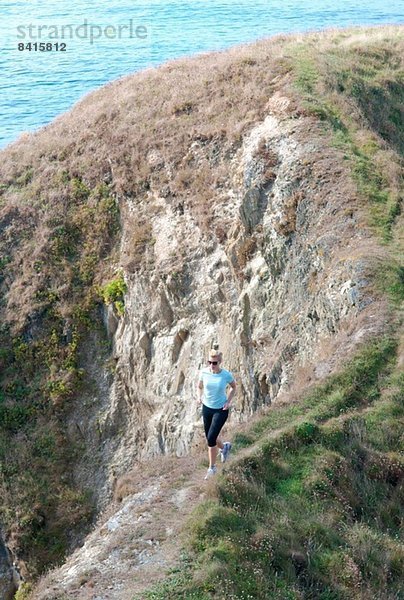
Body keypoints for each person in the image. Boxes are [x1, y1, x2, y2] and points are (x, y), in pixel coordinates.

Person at [197, 348, 236, 479]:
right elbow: (199, 386)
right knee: (210, 437)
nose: (212, 365)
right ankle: (225, 447)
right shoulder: (204, 372)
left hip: (221, 410)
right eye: (210, 362)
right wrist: (199, 397)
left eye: (214, 363)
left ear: (220, 362)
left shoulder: (225, 375)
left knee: (211, 438)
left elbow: (233, 387)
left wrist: (228, 402)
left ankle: (212, 468)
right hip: (207, 408)